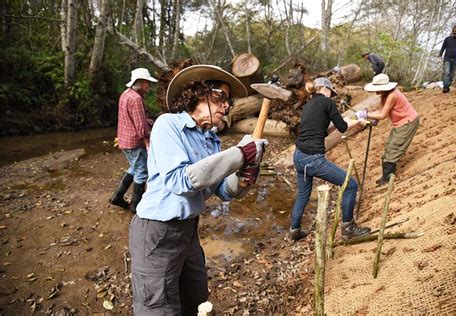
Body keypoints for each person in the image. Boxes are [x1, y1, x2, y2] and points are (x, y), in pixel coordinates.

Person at [129, 64, 268, 315]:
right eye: (221, 97)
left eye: (229, 101)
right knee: (158, 307)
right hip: (156, 233)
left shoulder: (210, 139)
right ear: (197, 93)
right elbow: (179, 181)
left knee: (195, 300)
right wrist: (239, 154)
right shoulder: (167, 125)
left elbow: (223, 190)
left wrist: (243, 179)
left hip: (188, 231)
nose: (226, 106)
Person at [289, 77, 370, 241]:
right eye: (331, 92)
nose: (332, 95)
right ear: (326, 90)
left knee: (303, 195)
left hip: (298, 157)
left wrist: (350, 121)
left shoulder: (308, 105)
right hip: (313, 159)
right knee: (350, 185)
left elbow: (325, 130)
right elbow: (343, 127)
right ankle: (348, 229)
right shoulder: (327, 103)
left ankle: (294, 231)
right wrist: (358, 122)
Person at [355, 74, 419, 185]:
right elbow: (379, 111)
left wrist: (366, 114)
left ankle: (388, 179)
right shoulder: (384, 96)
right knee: (388, 148)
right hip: (399, 123)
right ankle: (385, 176)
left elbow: (382, 115)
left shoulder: (392, 95)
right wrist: (368, 116)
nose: (376, 92)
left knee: (393, 149)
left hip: (407, 122)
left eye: (378, 89)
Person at [109, 68, 156, 213]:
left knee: (134, 168)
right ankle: (136, 207)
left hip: (124, 140)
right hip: (134, 142)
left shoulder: (126, 94)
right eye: (147, 82)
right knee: (141, 172)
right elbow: (141, 129)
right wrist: (149, 138)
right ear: (141, 83)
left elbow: (130, 118)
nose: (149, 86)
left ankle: (117, 197)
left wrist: (147, 120)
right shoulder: (136, 99)